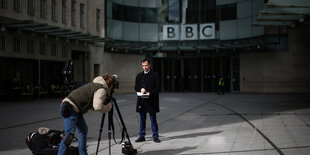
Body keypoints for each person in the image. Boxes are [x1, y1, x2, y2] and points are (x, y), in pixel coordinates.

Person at [58, 75, 115, 155]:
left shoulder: (95, 85)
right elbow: (97, 106)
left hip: (74, 108)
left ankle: (83, 153)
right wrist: (107, 107)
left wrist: (103, 105)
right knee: (68, 136)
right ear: (111, 85)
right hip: (70, 108)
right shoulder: (101, 89)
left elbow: (90, 104)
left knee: (83, 130)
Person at [134, 58, 161, 143]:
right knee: (142, 119)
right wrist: (140, 89)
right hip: (142, 100)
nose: (144, 67)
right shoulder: (139, 75)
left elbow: (158, 88)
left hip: (151, 100)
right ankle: (142, 136)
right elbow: (136, 87)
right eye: (143, 66)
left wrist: (150, 93)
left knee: (153, 119)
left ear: (149, 65)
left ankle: (155, 136)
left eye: (146, 65)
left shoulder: (155, 75)